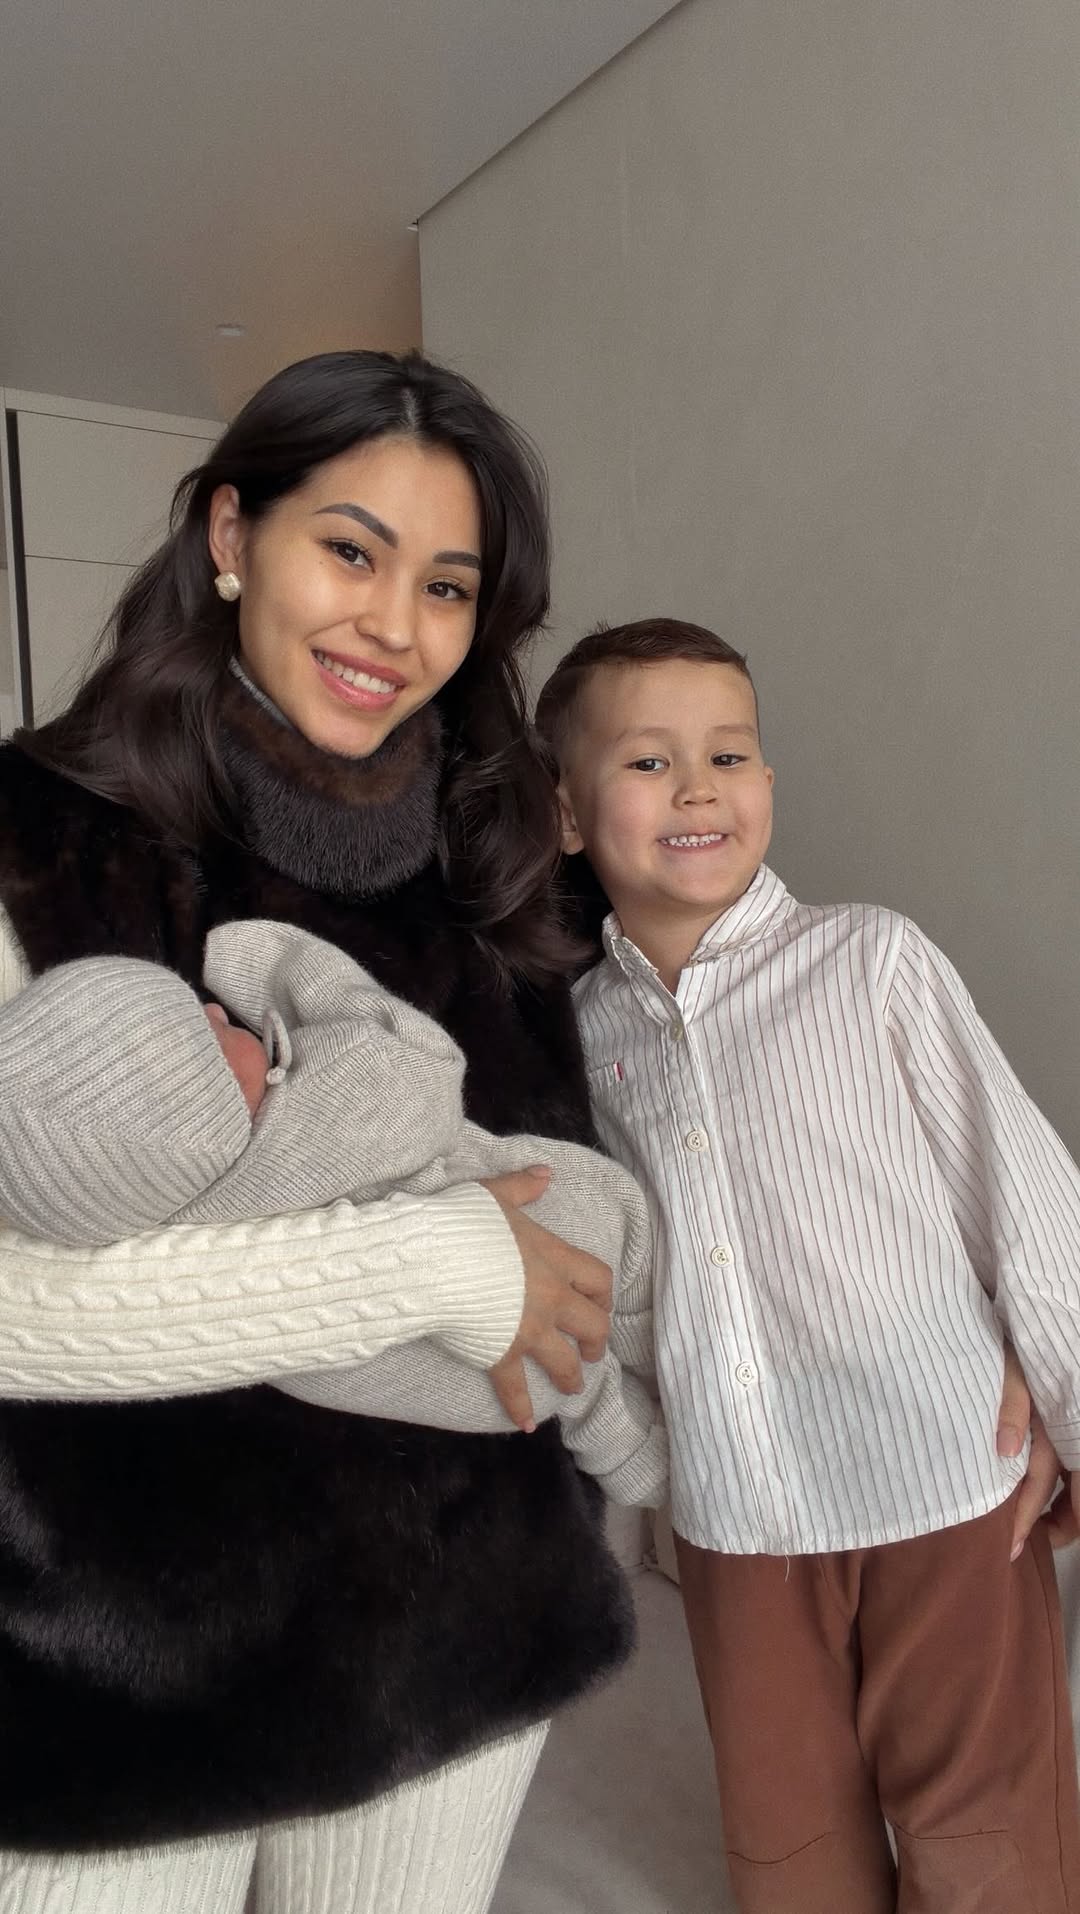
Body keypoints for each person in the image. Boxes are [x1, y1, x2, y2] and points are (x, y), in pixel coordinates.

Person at [0, 351, 637, 1914]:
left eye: (447, 586)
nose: (393, 625)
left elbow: (574, 1207)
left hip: (462, 1636)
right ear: (233, 536)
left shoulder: (501, 871)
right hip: (123, 1682)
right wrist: (434, 1267)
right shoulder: (33, 835)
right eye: (351, 549)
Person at [535, 616, 1080, 1914]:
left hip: (942, 1476)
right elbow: (619, 1287)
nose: (698, 788)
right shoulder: (579, 1037)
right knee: (786, 1845)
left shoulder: (871, 960)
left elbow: (1025, 1193)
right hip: (738, 1513)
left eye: (728, 754)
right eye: (649, 761)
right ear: (565, 813)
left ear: (767, 782)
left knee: (988, 1833)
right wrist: (648, 1476)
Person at [0, 917, 666, 1507]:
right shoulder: (336, 1099)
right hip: (555, 1230)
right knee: (629, 1260)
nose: (213, 1009)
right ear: (218, 1101)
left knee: (579, 1386)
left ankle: (633, 1460)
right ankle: (676, 1373)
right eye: (208, 1032)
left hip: (486, 1390)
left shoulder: (183, 1228)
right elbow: (426, 1065)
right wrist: (276, 966)